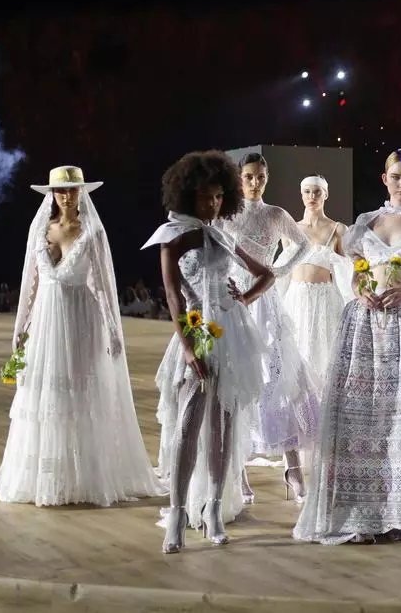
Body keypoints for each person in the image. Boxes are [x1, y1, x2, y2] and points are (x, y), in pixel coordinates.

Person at [293, 149, 401, 546]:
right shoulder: (366, 223)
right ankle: (363, 512)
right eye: (396, 177)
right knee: (366, 417)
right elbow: (357, 275)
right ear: (385, 179)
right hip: (367, 326)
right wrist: (360, 291)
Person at [0, 166, 163, 507]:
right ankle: (49, 477)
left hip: (80, 318)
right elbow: (31, 283)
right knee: (47, 396)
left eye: (72, 190)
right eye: (60, 190)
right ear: (51, 194)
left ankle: (84, 476)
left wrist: (112, 328)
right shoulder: (41, 229)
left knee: (81, 393)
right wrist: (22, 327)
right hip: (46, 320)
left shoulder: (91, 232)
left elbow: (102, 284)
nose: (66, 196)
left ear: (81, 193)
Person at [143, 151, 276, 553]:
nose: (214, 204)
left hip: (231, 333)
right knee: (187, 425)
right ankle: (178, 512)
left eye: (219, 196)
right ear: (188, 195)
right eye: (206, 196)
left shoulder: (221, 235)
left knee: (224, 425)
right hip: (196, 331)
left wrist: (245, 298)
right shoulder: (172, 236)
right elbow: (173, 296)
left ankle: (215, 508)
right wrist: (187, 347)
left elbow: (267, 273)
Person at [216, 152, 320, 504]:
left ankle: (292, 467)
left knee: (279, 376)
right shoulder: (226, 214)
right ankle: (238, 469)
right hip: (234, 299)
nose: (255, 182)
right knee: (237, 378)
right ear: (239, 178)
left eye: (260, 176)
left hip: (265, 300)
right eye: (248, 176)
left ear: (267, 177)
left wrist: (278, 270)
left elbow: (303, 244)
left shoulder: (275, 214)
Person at [279, 175, 352, 390]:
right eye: (307, 192)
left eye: (317, 192)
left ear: (325, 194)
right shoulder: (290, 229)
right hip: (296, 299)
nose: (312, 196)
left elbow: (347, 269)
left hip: (325, 301)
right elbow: (285, 269)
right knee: (297, 353)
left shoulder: (338, 230)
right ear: (301, 195)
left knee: (323, 354)